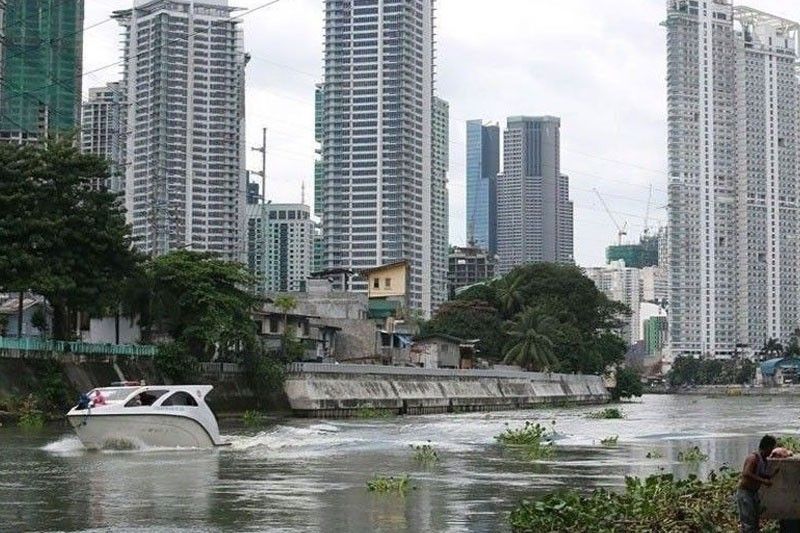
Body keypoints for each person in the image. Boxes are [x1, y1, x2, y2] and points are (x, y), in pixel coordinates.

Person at [737, 434, 778, 533]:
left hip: (753, 493)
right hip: (745, 493)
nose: (772, 451)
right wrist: (764, 481)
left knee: (755, 521)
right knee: (748, 523)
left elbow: (759, 474)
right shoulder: (753, 458)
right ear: (767, 447)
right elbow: (746, 473)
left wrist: (771, 475)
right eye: (772, 448)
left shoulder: (763, 460)